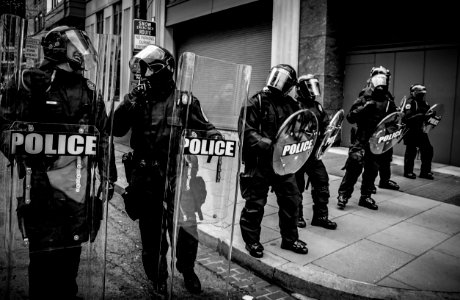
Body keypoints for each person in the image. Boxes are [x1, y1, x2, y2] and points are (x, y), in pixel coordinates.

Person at [0, 26, 116, 299]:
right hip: (41, 184)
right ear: (58, 48)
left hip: (77, 184)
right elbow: (4, 122)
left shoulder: (88, 89)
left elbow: (103, 135)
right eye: (76, 48)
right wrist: (19, 145)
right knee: (42, 258)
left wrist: (108, 175)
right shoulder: (31, 81)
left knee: (71, 252)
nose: (81, 54)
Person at [112, 45, 221, 296]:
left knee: (186, 227)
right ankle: (158, 276)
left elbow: (206, 127)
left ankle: (187, 269)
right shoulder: (137, 99)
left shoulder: (185, 100)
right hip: (146, 175)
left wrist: (216, 138)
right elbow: (115, 129)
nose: (144, 75)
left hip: (178, 173)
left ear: (164, 70)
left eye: (148, 69)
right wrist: (130, 101)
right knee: (151, 231)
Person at [238, 64, 308, 259]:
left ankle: (290, 239)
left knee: (291, 201)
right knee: (255, 204)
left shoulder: (292, 104)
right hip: (260, 163)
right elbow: (246, 131)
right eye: (277, 77)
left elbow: (299, 128)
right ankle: (252, 241)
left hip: (284, 163)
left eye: (284, 80)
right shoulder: (256, 102)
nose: (279, 82)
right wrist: (267, 144)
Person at [337, 68, 398, 210]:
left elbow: (394, 121)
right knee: (353, 167)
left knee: (372, 170)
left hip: (376, 141)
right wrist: (364, 108)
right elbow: (350, 117)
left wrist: (386, 132)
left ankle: (366, 197)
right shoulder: (364, 96)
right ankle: (344, 195)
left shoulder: (388, 101)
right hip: (362, 139)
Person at [294, 74, 337, 230]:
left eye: (314, 87)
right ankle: (296, 216)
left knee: (322, 182)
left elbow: (325, 124)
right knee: (296, 186)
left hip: (313, 153)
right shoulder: (293, 105)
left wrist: (327, 132)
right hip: (297, 153)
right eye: (309, 87)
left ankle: (320, 217)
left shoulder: (317, 106)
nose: (312, 91)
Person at [357, 66, 399, 194]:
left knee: (386, 157)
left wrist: (393, 127)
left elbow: (392, 113)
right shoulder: (367, 93)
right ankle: (368, 186)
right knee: (371, 163)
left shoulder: (387, 95)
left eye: (386, 77)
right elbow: (358, 115)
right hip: (370, 134)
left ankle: (384, 181)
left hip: (384, 132)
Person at [402, 84, 434, 179]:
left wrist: (432, 116)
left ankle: (425, 172)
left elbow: (428, 116)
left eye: (422, 94)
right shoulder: (410, 102)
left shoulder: (425, 103)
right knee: (411, 151)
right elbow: (407, 118)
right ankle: (408, 172)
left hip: (420, 130)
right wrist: (421, 115)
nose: (421, 96)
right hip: (410, 130)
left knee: (428, 150)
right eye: (419, 94)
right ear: (414, 93)